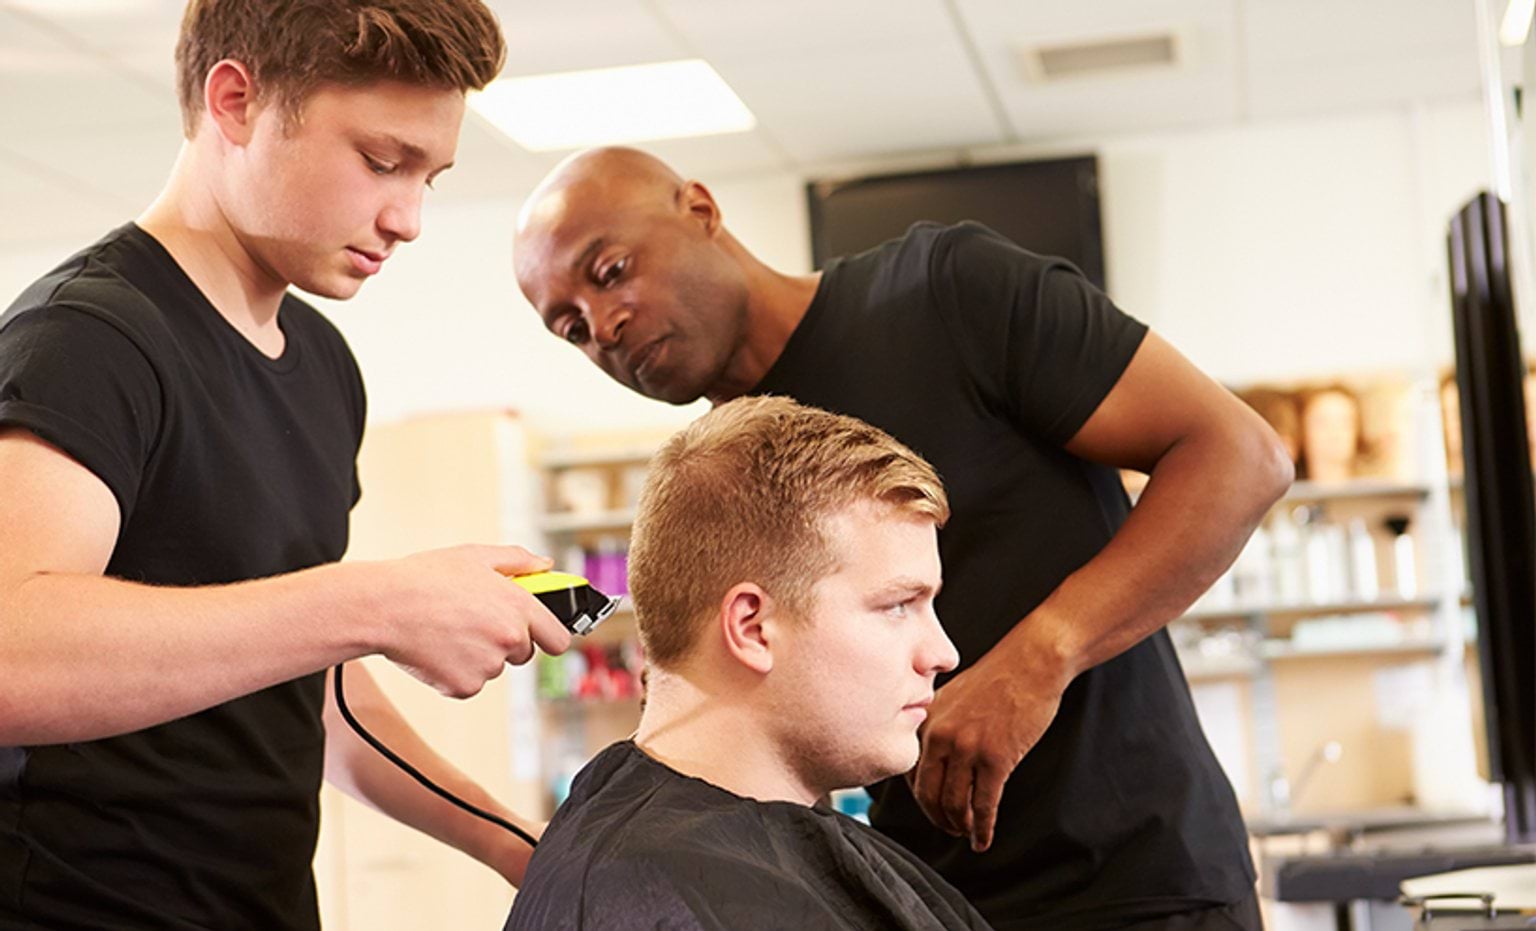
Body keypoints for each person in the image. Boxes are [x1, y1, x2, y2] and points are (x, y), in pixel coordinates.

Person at [513, 147, 1294, 930]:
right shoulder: (728, 468)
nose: (605, 326)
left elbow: (1241, 457)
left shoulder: (947, 291)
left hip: (1137, 877)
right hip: (924, 893)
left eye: (612, 271)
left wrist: (1039, 656)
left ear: (702, 211)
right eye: (570, 327)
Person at [0, 3, 573, 928]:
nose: (410, 217)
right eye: (382, 162)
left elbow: (305, 687)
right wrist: (375, 603)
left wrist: (518, 843)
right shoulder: (87, 339)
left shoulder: (322, 364)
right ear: (235, 101)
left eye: (430, 175)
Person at [506, 395, 992, 931]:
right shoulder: (666, 897)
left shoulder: (663, 843)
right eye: (898, 606)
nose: (943, 654)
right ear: (752, 628)